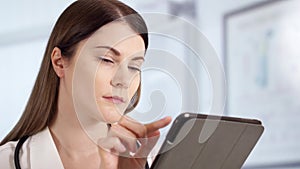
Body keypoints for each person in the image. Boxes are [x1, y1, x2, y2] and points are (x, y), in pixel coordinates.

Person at [0, 0, 171, 169]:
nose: (124, 80)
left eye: (134, 66)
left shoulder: (157, 160)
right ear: (59, 62)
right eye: (107, 60)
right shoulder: (5, 162)